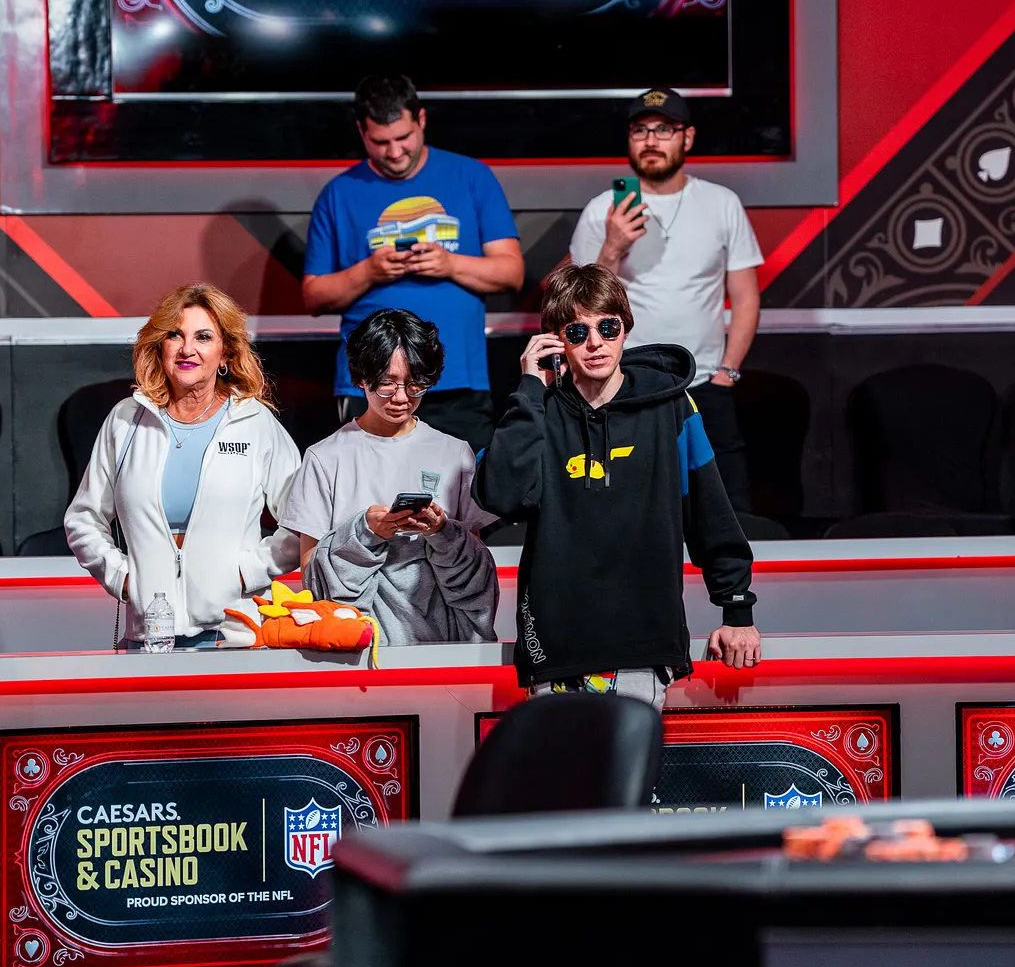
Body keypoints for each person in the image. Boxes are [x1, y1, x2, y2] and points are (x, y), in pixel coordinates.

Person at [473, 263, 761, 711]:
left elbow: (709, 509)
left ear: (625, 328)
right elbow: (500, 496)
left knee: (628, 761)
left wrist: (736, 608)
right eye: (577, 332)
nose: (595, 343)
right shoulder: (537, 410)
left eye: (607, 327)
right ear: (556, 340)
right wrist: (529, 388)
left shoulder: (670, 405)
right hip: (556, 646)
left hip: (643, 643)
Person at [65, 283, 302, 647]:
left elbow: (304, 520)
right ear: (160, 346)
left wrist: (246, 575)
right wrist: (123, 579)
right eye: (175, 335)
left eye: (203, 337)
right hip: (149, 637)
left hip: (235, 634)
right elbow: (83, 519)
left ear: (225, 354)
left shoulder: (254, 422)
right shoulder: (126, 420)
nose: (187, 348)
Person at [302, 74, 524, 452]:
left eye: (403, 138)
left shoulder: (472, 176)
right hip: (371, 382)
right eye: (380, 142)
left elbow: (512, 272)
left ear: (421, 119)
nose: (394, 152)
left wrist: (449, 264)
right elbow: (314, 296)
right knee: (370, 486)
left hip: (457, 380)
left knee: (466, 487)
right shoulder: (338, 193)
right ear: (362, 132)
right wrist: (369, 271)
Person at [568, 86, 764, 513]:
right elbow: (581, 306)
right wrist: (613, 246)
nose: (651, 140)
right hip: (624, 386)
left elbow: (746, 296)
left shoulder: (721, 203)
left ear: (687, 138)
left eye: (664, 129)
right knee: (629, 506)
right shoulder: (602, 210)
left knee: (727, 507)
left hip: (706, 383)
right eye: (640, 130)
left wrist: (728, 372)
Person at [281, 309, 499, 646]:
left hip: (441, 648)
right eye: (386, 383)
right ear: (361, 378)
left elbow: (475, 572)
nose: (401, 397)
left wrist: (441, 532)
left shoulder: (454, 453)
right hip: (354, 648)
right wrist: (365, 532)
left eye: (415, 384)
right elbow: (312, 578)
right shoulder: (325, 458)